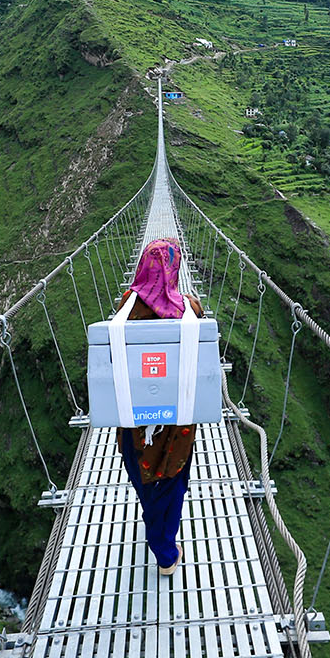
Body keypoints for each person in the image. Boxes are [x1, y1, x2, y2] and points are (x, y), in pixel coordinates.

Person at [114, 237, 204, 576]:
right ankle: (164, 551)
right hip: (176, 420)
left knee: (143, 473)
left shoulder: (126, 306)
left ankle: (158, 534)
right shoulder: (191, 310)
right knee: (172, 478)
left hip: (135, 417)